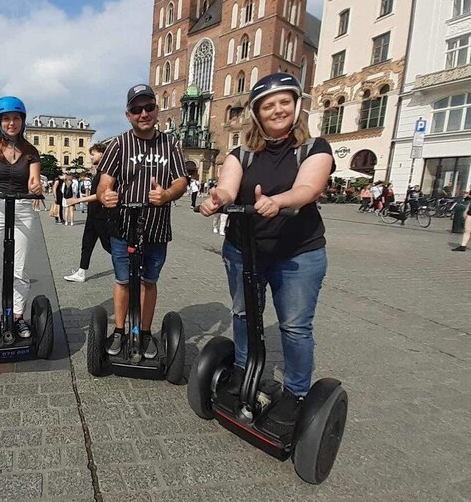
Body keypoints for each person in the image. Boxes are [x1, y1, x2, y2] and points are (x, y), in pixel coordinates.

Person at [199, 72, 334, 425]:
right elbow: (228, 186)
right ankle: (246, 370)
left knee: (294, 326)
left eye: (284, 102)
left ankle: (296, 392)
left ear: (296, 105)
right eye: (268, 105)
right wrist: (218, 198)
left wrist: (280, 201)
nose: (277, 110)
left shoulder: (314, 147)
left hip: (298, 253)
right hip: (244, 249)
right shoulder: (241, 153)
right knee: (244, 314)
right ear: (257, 113)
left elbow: (309, 187)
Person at [97, 83, 188, 358]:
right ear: (128, 115)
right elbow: (104, 183)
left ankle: (145, 332)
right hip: (123, 226)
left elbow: (181, 180)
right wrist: (106, 196)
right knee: (123, 280)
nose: (143, 113)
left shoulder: (170, 143)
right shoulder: (118, 144)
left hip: (157, 227)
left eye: (148, 107)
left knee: (149, 280)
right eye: (137, 109)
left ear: (156, 110)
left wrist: (168, 194)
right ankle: (120, 330)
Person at [0, 96, 43, 342]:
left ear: (22, 121)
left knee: (20, 268)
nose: (11, 123)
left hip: (22, 209)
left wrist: (36, 188)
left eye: (16, 118)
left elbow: (34, 181)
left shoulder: (30, 151)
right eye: (6, 119)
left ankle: (17, 315)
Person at [64, 143, 112, 282]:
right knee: (87, 243)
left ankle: (129, 264)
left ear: (102, 154)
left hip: (101, 215)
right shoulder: (99, 171)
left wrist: (78, 200)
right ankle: (81, 272)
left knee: (108, 244)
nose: (90, 157)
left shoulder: (106, 172)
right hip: (93, 213)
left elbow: (100, 194)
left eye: (93, 154)